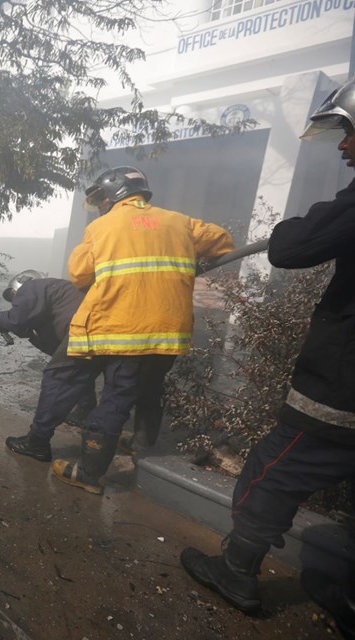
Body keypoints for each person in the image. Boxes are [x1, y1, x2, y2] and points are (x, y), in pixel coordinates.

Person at [180, 77, 355, 628]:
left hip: (342, 388)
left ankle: (236, 571)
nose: (343, 146)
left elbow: (291, 247)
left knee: (273, 470)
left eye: (349, 132)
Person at [48, 166, 234, 494]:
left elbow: (78, 274)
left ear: (114, 194)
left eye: (101, 198)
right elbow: (224, 241)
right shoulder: (180, 222)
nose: (101, 205)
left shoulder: (101, 227)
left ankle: (90, 473)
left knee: (115, 399)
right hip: (170, 334)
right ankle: (142, 443)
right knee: (151, 387)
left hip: (126, 332)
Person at [0, 270, 97, 460]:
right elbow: (56, 349)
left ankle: (37, 442)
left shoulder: (32, 286)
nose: (15, 302)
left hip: (87, 328)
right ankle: (85, 412)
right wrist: (30, 334)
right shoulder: (61, 299)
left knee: (57, 379)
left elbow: (18, 317)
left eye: (14, 296)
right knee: (75, 370)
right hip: (99, 329)